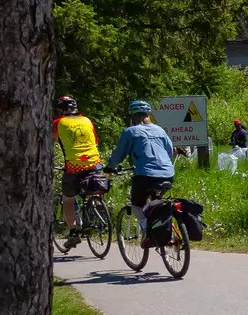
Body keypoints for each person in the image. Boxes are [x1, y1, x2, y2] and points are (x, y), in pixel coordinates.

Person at [106, 100, 177, 232]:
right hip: (168, 173)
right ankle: (162, 229)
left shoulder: (131, 132)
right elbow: (169, 151)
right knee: (157, 203)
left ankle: (146, 228)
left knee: (137, 204)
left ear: (132, 115)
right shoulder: (160, 130)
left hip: (145, 174)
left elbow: (119, 154)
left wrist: (110, 166)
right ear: (148, 114)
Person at [52, 94, 105, 249]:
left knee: (68, 199)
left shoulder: (58, 123)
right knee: (93, 187)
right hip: (94, 163)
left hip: (74, 166)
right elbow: (95, 141)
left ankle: (74, 232)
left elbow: (50, 141)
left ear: (61, 110)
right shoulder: (87, 120)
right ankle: (94, 205)